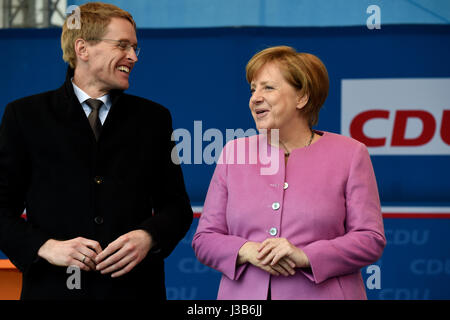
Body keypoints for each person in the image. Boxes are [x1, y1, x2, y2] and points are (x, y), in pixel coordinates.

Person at [0, 2, 193, 300]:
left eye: (134, 47)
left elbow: (177, 208)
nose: (132, 57)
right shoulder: (25, 116)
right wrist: (46, 246)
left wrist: (148, 236)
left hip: (135, 292)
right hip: (54, 291)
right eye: (122, 45)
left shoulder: (154, 119)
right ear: (83, 48)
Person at [192, 45, 386, 300]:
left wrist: (306, 256)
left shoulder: (350, 153)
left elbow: (370, 239)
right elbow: (204, 239)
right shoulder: (233, 152)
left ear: (301, 97)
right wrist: (246, 250)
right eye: (253, 89)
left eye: (268, 88)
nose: (255, 97)